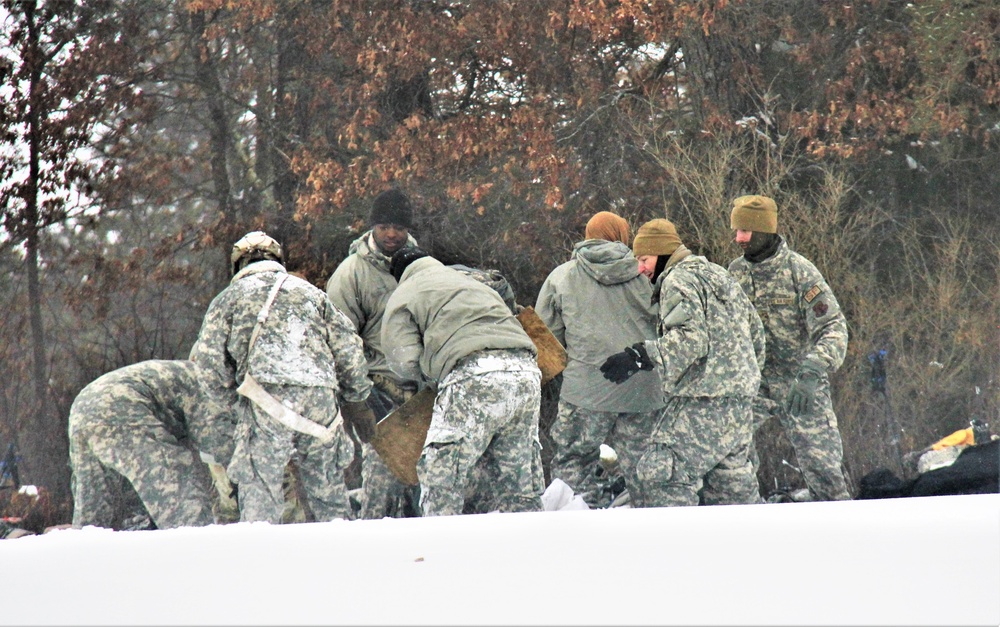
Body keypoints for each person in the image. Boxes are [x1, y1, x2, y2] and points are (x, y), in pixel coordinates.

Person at [190, 231, 375, 523]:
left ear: (237, 265)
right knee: (329, 493)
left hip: (264, 398)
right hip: (320, 400)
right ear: (279, 260)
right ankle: (343, 555)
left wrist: (233, 402)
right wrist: (355, 397)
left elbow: (207, 363)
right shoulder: (312, 294)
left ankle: (262, 560)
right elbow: (349, 347)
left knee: (260, 495)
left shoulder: (227, 299)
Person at [600, 219, 764, 507]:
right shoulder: (720, 275)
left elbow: (691, 339)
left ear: (663, 253)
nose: (641, 268)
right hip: (740, 403)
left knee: (661, 475)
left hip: (702, 399)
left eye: (645, 259)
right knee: (731, 490)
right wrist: (744, 379)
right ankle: (744, 545)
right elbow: (756, 334)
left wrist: (639, 356)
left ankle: (674, 546)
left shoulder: (677, 280)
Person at [381, 247, 545, 516]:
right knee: (517, 480)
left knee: (442, 474)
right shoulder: (468, 280)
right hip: (525, 371)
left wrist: (429, 375)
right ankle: (525, 546)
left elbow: (403, 357)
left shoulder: (406, 292)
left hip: (473, 373)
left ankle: (441, 545)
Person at [535, 211, 665, 508]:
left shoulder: (562, 276)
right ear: (623, 235)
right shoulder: (647, 273)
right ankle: (651, 530)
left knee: (572, 466)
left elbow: (547, 339)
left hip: (586, 390)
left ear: (588, 235)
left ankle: (575, 527)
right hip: (642, 389)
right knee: (646, 471)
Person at [727, 195, 852, 501]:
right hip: (754, 384)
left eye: (746, 230)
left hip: (801, 384)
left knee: (824, 470)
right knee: (725, 453)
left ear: (764, 231)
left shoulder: (800, 272)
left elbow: (834, 328)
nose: (738, 238)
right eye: (737, 230)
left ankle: (843, 526)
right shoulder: (734, 273)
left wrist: (812, 371)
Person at [325, 188, 421, 519]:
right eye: (384, 227)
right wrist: (354, 397)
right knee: (382, 483)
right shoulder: (351, 273)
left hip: (422, 391)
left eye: (399, 226)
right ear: (372, 228)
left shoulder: (421, 266)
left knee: (422, 483)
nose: (392, 234)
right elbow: (337, 338)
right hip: (378, 389)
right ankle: (372, 549)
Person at [68, 359, 235, 530]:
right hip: (122, 404)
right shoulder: (212, 386)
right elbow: (221, 448)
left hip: (83, 408)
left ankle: (83, 553)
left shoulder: (186, 373)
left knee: (94, 517)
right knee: (185, 506)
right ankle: (201, 553)